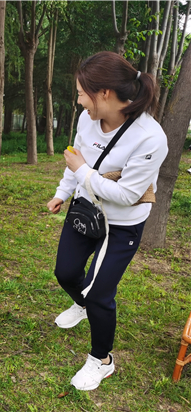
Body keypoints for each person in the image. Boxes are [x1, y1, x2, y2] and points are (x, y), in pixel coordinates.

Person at [47, 51, 168, 391]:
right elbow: (75, 158)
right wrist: (62, 192)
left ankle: (101, 360)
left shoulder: (150, 137)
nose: (78, 101)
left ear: (104, 93)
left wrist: (82, 172)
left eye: (81, 93)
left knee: (100, 293)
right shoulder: (88, 119)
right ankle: (82, 303)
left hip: (122, 224)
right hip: (86, 210)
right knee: (65, 273)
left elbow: (127, 195)